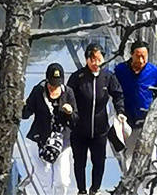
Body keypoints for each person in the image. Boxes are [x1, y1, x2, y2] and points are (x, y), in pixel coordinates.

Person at [67, 45, 125, 195]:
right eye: (92, 59)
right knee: (79, 162)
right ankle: (81, 190)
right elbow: (68, 96)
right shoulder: (78, 77)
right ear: (87, 59)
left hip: (100, 129)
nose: (96, 63)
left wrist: (120, 111)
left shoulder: (108, 77)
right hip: (80, 128)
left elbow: (118, 95)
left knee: (99, 161)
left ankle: (95, 189)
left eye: (99, 59)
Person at [22, 63, 77, 195]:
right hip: (40, 140)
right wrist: (20, 104)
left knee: (62, 181)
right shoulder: (38, 91)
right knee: (43, 181)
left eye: (57, 85)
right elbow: (26, 113)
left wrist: (70, 113)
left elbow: (75, 121)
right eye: (51, 85)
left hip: (62, 142)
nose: (54, 89)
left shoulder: (68, 92)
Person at [114, 42, 157, 172]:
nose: (141, 60)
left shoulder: (153, 71)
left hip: (147, 122)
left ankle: (150, 189)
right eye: (138, 56)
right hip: (127, 122)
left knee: (151, 159)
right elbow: (115, 92)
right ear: (131, 55)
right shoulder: (120, 70)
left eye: (144, 56)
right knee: (128, 157)